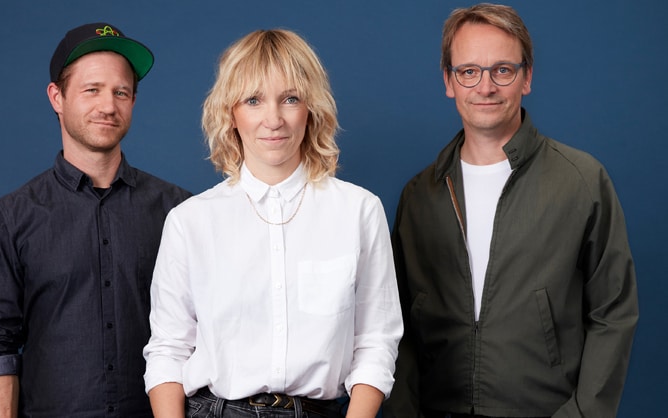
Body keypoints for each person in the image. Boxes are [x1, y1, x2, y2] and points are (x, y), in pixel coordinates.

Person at [384, 3, 639, 418]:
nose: (485, 87)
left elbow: (614, 313)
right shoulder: (420, 195)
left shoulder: (580, 181)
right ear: (449, 81)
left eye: (502, 70)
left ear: (527, 77)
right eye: (469, 71)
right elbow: (395, 323)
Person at [142, 29, 403, 418]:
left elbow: (375, 342)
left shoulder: (359, 211)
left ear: (311, 108)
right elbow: (168, 349)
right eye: (253, 100)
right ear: (231, 113)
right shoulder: (190, 221)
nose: (273, 119)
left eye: (290, 99)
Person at [0, 22, 192, 417]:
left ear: (133, 101)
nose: (108, 106)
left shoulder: (178, 211)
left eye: (121, 92)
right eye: (92, 90)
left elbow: (200, 334)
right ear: (57, 97)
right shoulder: (12, 217)